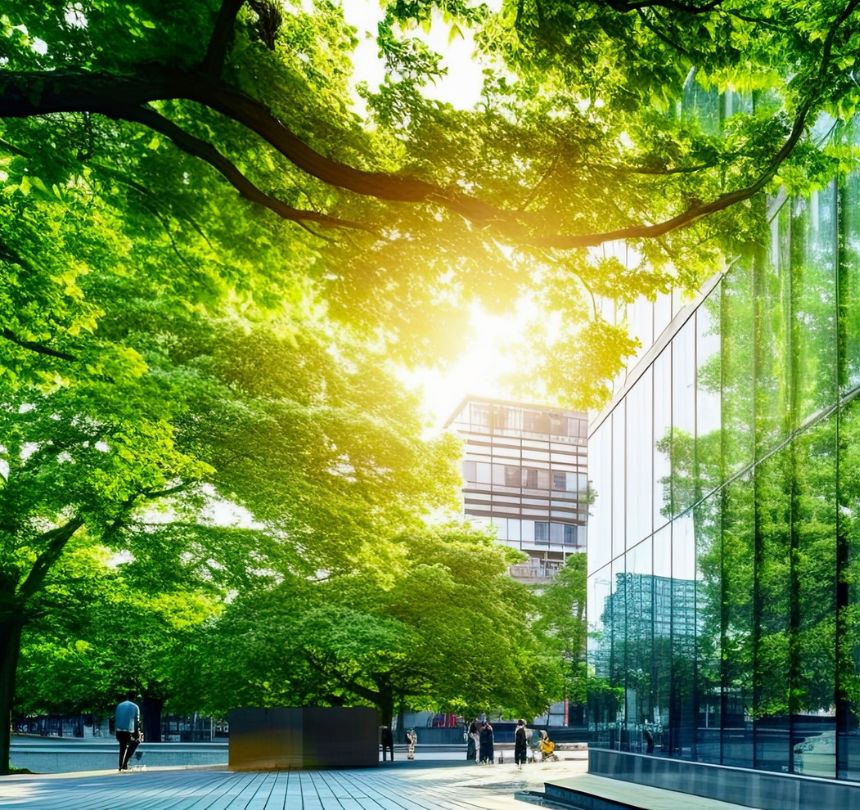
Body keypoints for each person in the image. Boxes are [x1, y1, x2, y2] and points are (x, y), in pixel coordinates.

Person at [115, 690, 143, 772]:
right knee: (136, 742)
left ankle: (120, 765)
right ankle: (125, 763)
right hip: (129, 731)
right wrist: (138, 734)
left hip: (118, 731)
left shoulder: (119, 705)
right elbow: (137, 722)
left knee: (122, 746)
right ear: (135, 698)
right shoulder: (135, 706)